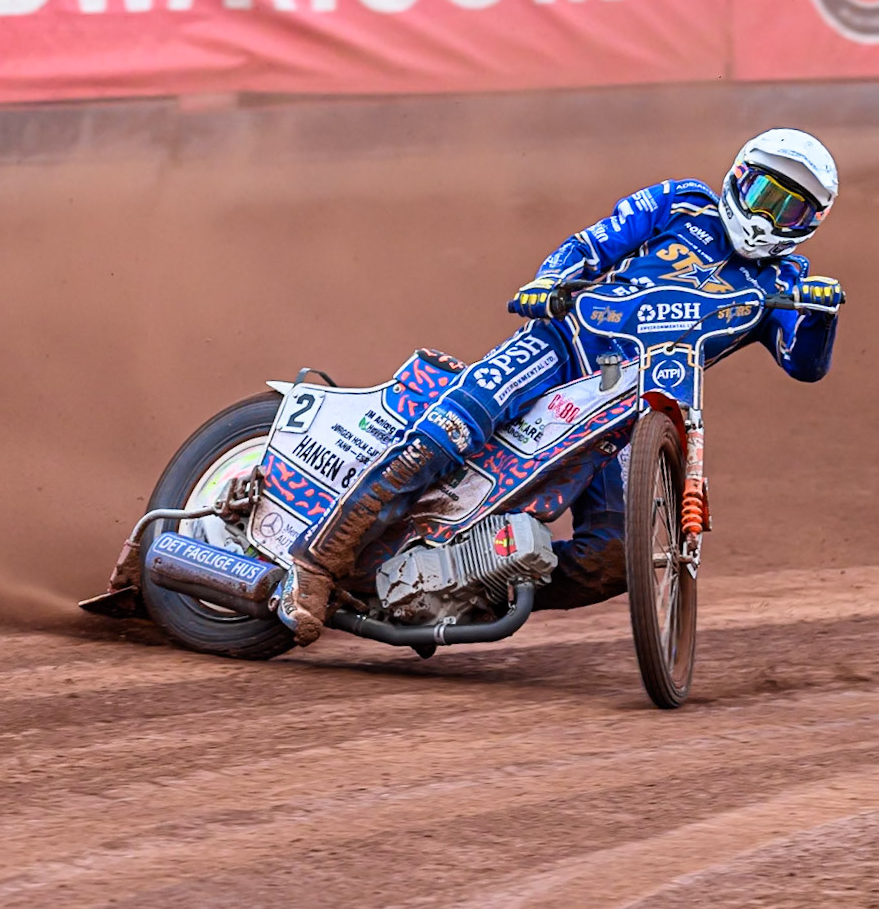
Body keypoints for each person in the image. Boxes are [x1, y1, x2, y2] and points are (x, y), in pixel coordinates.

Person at [279, 129, 847, 643]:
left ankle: (466, 590)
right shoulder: (682, 202)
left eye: (790, 211)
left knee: (616, 557)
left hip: (632, 411)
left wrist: (824, 314)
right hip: (562, 347)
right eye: (764, 195)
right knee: (450, 429)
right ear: (738, 179)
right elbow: (591, 245)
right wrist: (550, 281)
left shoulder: (789, 281)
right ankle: (317, 563)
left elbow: (804, 364)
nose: (769, 217)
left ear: (810, 224)